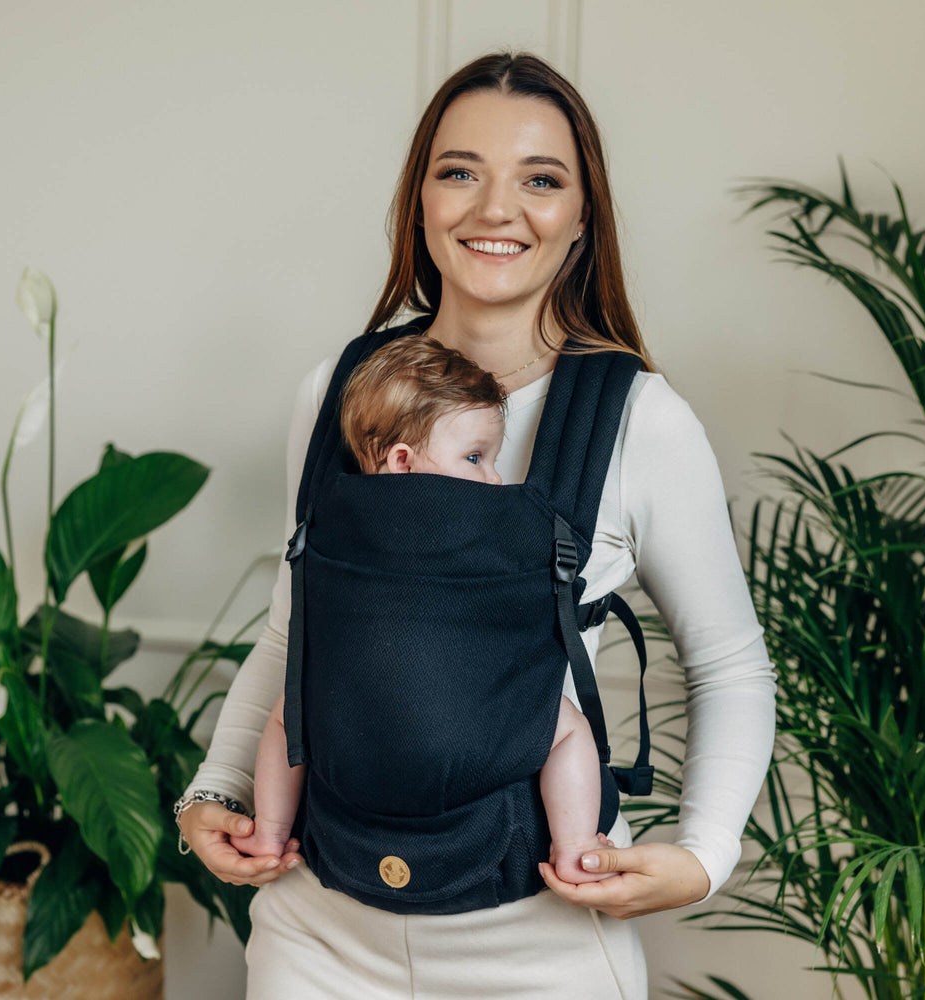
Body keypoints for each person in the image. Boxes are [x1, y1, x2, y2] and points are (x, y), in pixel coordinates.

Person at [177, 50, 776, 999]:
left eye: (541, 181)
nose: (497, 210)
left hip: (539, 941)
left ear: (582, 221)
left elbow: (729, 660)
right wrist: (214, 792)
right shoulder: (337, 393)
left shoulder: (639, 419)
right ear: (420, 202)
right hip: (317, 932)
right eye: (460, 172)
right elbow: (297, 630)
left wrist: (704, 852)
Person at [227, 333, 617, 887]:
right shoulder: (489, 523)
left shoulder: (335, 514)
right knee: (567, 728)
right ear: (403, 462)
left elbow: (290, 640)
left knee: (286, 718)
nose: (495, 479)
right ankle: (577, 847)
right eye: (477, 458)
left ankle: (268, 833)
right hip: (476, 726)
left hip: (347, 719)